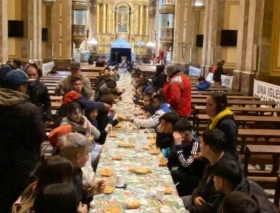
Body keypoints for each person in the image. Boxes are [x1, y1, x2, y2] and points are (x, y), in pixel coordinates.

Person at [0, 70, 45, 213]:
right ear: (21, 87)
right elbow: (39, 136)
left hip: (1, 161)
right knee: (22, 200)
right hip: (24, 165)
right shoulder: (29, 109)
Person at [182, 129, 239, 213]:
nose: (199, 145)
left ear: (207, 148)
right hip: (199, 200)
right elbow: (202, 182)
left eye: (201, 143)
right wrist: (195, 196)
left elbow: (213, 207)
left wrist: (188, 208)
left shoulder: (224, 170)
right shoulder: (212, 157)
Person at [212, 160, 278, 213]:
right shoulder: (234, 187)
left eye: (214, 177)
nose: (213, 179)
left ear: (221, 182)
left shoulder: (240, 202)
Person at [58, 133, 105, 204]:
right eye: (86, 154)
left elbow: (79, 193)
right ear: (78, 157)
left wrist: (91, 192)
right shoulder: (64, 182)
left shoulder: (76, 169)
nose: (88, 157)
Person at [171, 119, 206, 197]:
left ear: (186, 133)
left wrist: (178, 146)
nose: (175, 136)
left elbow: (186, 164)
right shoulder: (186, 142)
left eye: (178, 134)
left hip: (193, 178)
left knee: (174, 173)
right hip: (184, 172)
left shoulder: (195, 143)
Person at [206, 92, 238, 160]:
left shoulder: (227, 125)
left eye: (210, 105)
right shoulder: (215, 118)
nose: (206, 107)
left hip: (224, 162)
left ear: (220, 106)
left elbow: (229, 151)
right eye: (206, 104)